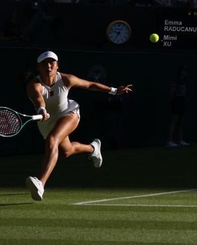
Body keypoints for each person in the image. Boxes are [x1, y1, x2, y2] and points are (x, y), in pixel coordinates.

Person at [25, 50, 132, 201]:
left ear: (57, 66)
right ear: (38, 68)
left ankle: (40, 183)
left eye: (52, 63)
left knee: (52, 140)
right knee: (66, 152)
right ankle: (93, 148)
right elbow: (38, 99)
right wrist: (42, 110)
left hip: (69, 113)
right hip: (47, 121)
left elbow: (90, 85)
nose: (48, 66)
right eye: (44, 64)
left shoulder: (67, 79)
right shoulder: (33, 85)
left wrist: (114, 91)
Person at [168, 68, 190, 147]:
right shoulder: (176, 81)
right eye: (183, 71)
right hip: (177, 101)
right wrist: (172, 102)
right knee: (174, 121)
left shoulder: (184, 82)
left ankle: (180, 140)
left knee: (181, 122)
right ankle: (170, 141)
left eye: (185, 71)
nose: (185, 73)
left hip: (182, 102)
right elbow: (172, 92)